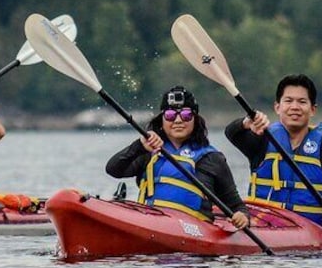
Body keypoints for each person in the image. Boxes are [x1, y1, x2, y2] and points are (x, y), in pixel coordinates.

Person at [224, 74, 322, 234]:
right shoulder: (262, 141)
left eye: (302, 102)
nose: (295, 107)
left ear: (313, 109)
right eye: (288, 101)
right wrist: (246, 122)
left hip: (308, 232)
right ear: (277, 107)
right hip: (262, 225)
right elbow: (232, 133)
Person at [106, 86, 250, 228]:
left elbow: (237, 206)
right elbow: (113, 170)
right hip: (150, 224)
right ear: (161, 119)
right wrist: (138, 145)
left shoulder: (212, 158)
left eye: (186, 114)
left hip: (195, 233)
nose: (178, 120)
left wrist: (242, 217)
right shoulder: (148, 152)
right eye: (170, 115)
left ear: (195, 119)